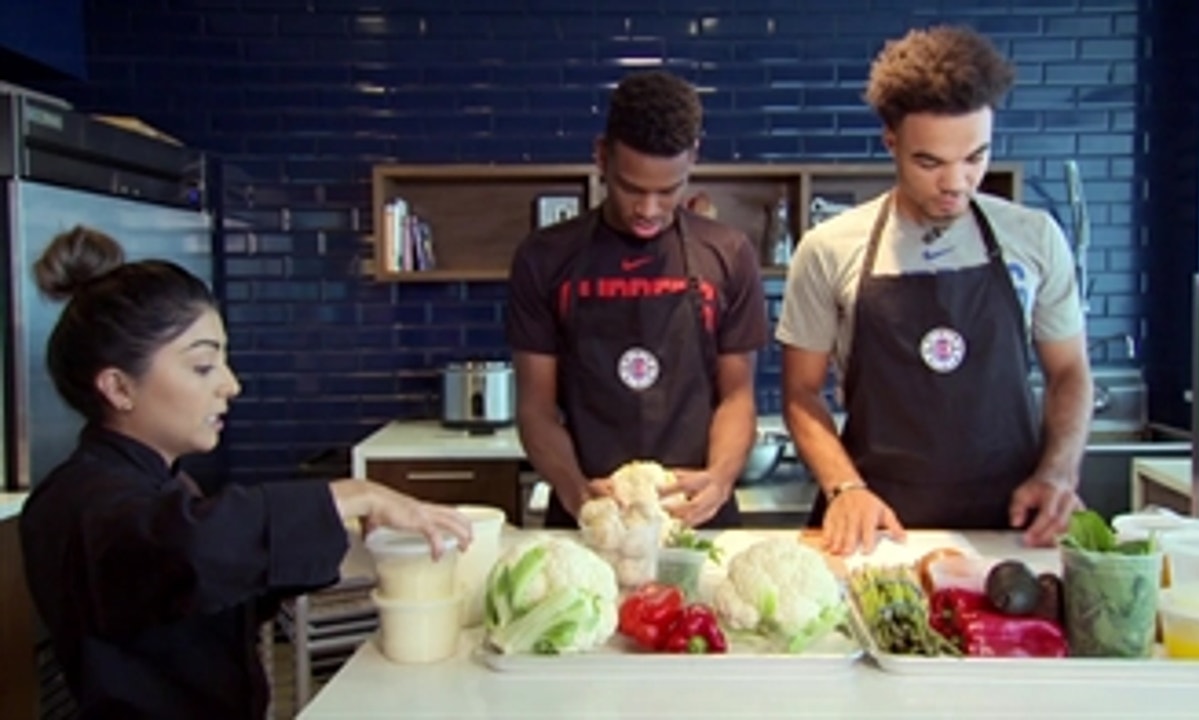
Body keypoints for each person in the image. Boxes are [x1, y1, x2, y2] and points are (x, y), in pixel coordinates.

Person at [19, 227, 473, 719]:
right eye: (202, 366)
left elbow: (208, 588)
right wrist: (349, 495)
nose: (230, 385)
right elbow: (191, 549)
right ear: (118, 387)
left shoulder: (157, 482)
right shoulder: (81, 502)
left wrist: (354, 549)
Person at [777, 26, 1091, 555]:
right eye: (931, 163)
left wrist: (1059, 471)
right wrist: (845, 488)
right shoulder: (829, 247)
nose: (956, 183)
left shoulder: (1033, 238)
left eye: (975, 158)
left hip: (1012, 521)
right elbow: (801, 394)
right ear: (891, 142)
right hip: (878, 523)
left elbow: (1070, 372)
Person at [506, 70, 768, 529]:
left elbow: (737, 396)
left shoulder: (728, 254)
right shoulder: (544, 259)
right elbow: (536, 407)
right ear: (602, 157)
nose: (648, 210)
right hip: (586, 520)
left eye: (668, 190)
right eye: (632, 188)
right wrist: (575, 490)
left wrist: (720, 478)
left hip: (696, 519)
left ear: (692, 161)